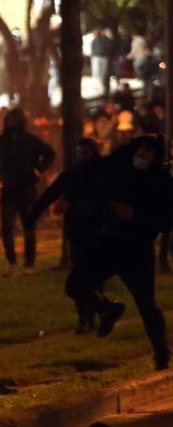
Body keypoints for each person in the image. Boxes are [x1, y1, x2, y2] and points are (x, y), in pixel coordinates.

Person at [63, 136, 172, 371]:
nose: (143, 157)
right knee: (76, 284)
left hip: (138, 250)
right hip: (110, 243)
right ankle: (106, 308)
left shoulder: (161, 182)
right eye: (141, 151)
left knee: (147, 304)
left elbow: (166, 220)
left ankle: (162, 355)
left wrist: (136, 216)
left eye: (149, 154)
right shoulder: (118, 169)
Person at [25, 138, 104, 334]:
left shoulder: (101, 176)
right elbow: (49, 195)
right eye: (80, 153)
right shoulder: (73, 175)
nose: (82, 157)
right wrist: (32, 216)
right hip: (79, 231)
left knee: (91, 276)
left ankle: (91, 318)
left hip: (96, 231)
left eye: (85, 153)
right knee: (83, 276)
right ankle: (86, 319)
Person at [0, 108, 55, 277]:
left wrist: (38, 170)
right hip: (9, 187)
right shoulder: (1, 141)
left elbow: (49, 153)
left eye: (14, 119)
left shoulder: (30, 140)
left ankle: (29, 263)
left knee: (28, 224)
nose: (11, 122)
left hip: (26, 186)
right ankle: (12, 262)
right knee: (6, 227)